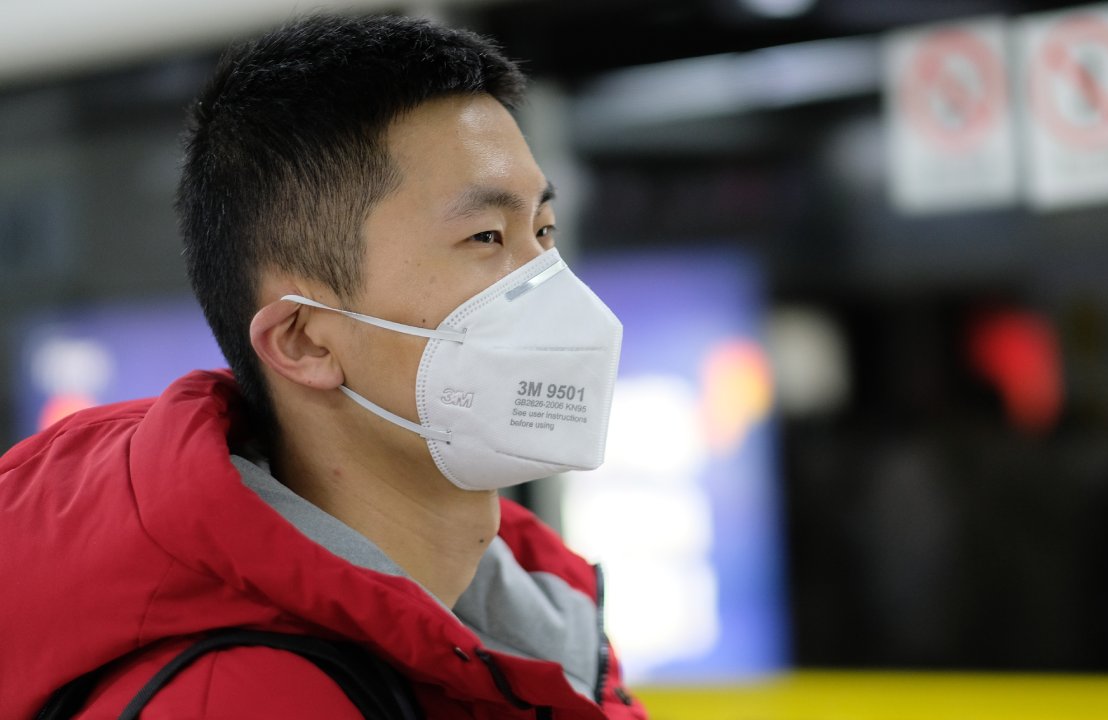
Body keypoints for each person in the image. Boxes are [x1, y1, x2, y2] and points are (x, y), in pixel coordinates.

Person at [0, 13, 642, 719]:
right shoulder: (241, 702)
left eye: (543, 231)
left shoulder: (544, 639)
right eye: (487, 236)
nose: (548, 284)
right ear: (304, 341)